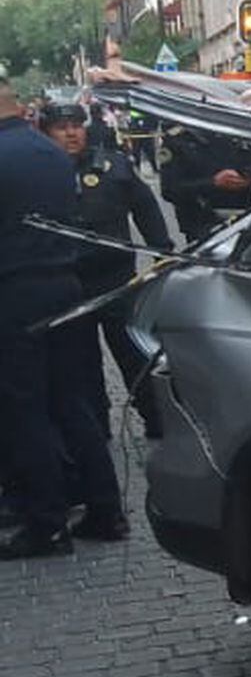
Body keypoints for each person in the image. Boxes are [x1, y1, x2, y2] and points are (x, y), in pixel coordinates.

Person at [0, 79, 126, 558]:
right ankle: (106, 510)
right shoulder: (48, 153)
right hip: (65, 287)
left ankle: (47, 524)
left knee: (25, 410)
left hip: (16, 294)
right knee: (74, 404)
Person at [39, 101, 172, 437]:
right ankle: (95, 429)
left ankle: (158, 423)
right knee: (80, 366)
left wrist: (161, 251)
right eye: (61, 127)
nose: (71, 133)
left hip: (118, 282)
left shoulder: (114, 165)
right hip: (69, 285)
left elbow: (146, 208)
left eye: (76, 125)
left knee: (136, 357)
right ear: (46, 132)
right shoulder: (40, 173)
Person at [159, 123, 251, 242]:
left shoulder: (236, 134)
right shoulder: (178, 141)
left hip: (242, 218)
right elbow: (170, 189)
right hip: (201, 222)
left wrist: (248, 181)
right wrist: (212, 183)